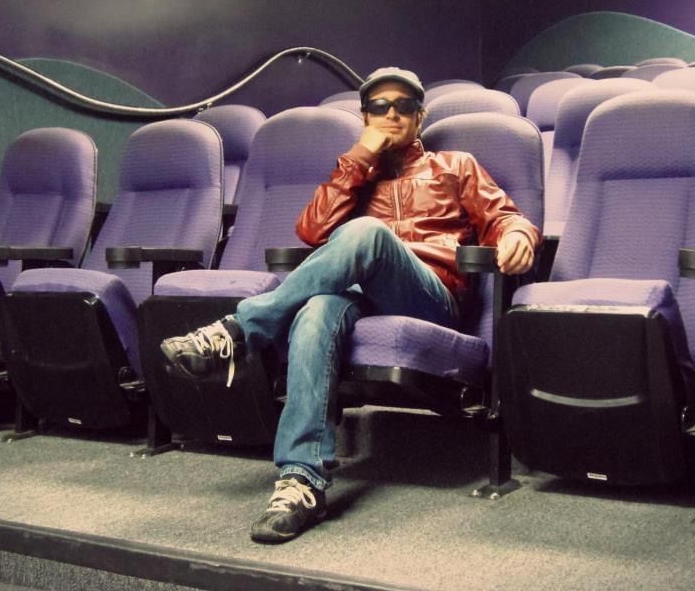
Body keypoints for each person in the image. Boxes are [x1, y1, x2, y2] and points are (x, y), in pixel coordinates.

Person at [160, 67, 540, 543]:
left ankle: (240, 331)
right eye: (379, 107)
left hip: (430, 296)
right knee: (317, 308)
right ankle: (301, 480)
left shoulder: (455, 166)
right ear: (365, 118)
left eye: (404, 106)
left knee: (365, 232)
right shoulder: (355, 175)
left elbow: (505, 216)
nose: (392, 114)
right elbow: (312, 230)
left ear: (420, 117)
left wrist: (518, 236)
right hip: (364, 299)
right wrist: (359, 158)